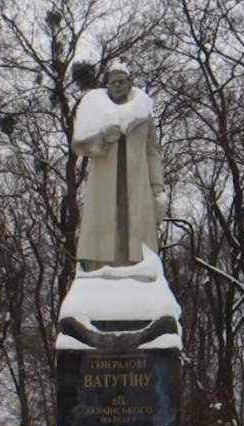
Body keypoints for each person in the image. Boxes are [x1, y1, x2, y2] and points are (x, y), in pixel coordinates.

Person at [71, 60, 165, 272]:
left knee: (135, 227)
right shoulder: (94, 107)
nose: (117, 86)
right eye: (112, 82)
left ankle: (135, 267)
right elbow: (79, 144)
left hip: (137, 180)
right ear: (107, 85)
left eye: (122, 81)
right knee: (104, 224)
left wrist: (157, 185)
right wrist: (103, 138)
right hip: (104, 180)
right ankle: (101, 267)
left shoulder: (143, 113)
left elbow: (153, 151)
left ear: (130, 83)